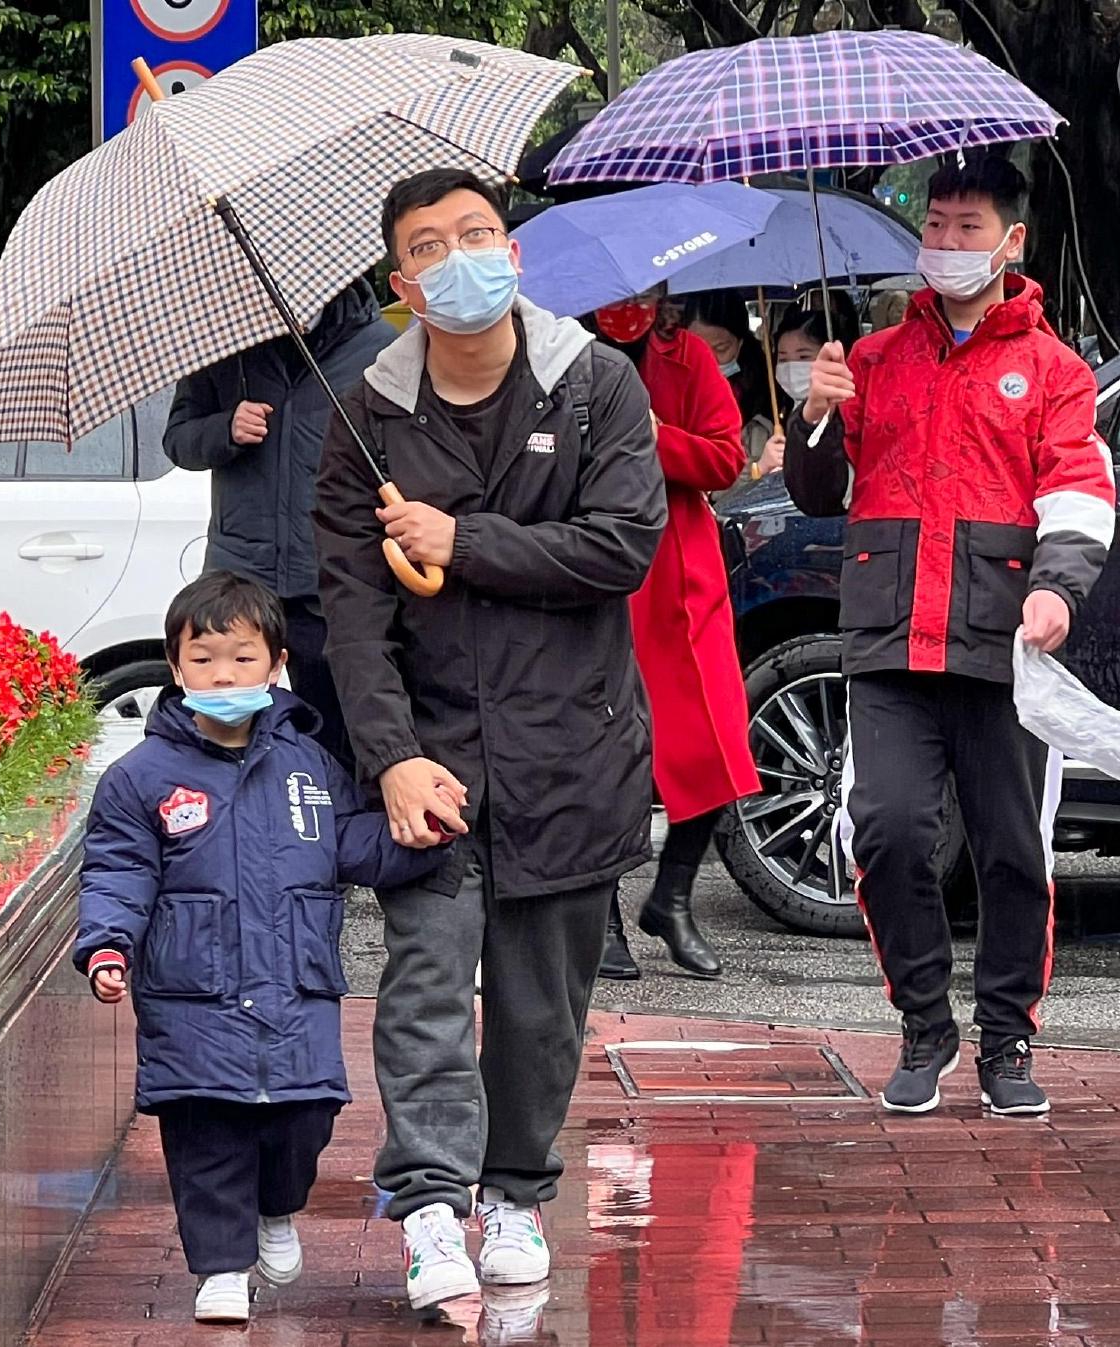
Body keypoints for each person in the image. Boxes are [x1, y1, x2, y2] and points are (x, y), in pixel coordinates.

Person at [312, 167, 666, 1310]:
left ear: (513, 255)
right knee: (421, 983)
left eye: (478, 233)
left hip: (573, 749)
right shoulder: (364, 418)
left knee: (536, 1003)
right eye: (429, 244)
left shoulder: (596, 384)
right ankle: (426, 1205)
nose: (458, 255)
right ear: (399, 283)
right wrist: (390, 757)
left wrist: (461, 539)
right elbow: (351, 616)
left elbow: (618, 549)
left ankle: (511, 1190)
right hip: (433, 756)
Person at [782, 154, 1114, 1119]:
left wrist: (1057, 590)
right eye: (935, 225)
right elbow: (818, 497)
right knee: (884, 831)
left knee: (1013, 850)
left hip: (1003, 642)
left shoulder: (1053, 371)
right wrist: (815, 417)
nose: (947, 243)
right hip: (887, 636)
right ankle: (926, 1020)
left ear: (1014, 241)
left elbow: (1079, 495)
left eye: (968, 228)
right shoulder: (874, 360)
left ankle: (1008, 1035)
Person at [74, 571, 448, 1324]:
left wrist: (423, 835)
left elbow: (352, 842)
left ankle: (277, 1207)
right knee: (205, 1132)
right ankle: (218, 1266)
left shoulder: (309, 764)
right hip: (192, 997)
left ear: (277, 662)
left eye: (242, 658)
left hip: (295, 990)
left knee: (302, 1123)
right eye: (204, 658)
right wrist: (108, 945)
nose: (223, 674)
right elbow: (118, 870)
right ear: (176, 668)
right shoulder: (139, 778)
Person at [585, 289, 763, 982]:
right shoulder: (561, 358)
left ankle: (673, 894)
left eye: (646, 292)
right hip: (597, 570)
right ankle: (600, 914)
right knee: (600, 756)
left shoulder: (686, 357)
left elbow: (723, 460)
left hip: (681, 575)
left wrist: (654, 436)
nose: (629, 304)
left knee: (716, 739)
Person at [165, 281, 395, 765]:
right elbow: (178, 438)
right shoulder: (224, 342)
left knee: (338, 738)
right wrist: (223, 428)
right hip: (241, 572)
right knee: (228, 734)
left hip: (332, 573)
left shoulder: (381, 349)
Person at [683, 291, 781, 466]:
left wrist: (759, 468)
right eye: (696, 349)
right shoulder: (668, 393)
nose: (709, 360)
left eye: (721, 348)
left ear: (740, 343)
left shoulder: (763, 391)